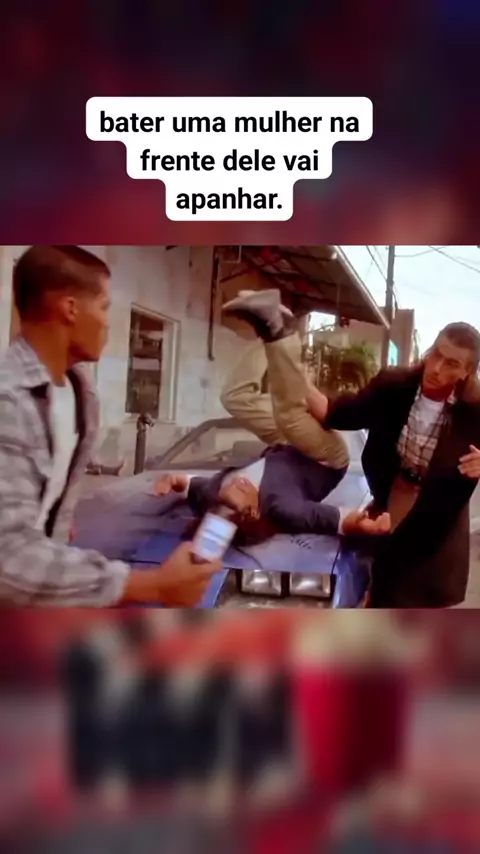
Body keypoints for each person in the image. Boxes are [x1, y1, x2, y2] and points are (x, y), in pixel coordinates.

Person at [0, 245, 220, 607]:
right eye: (104, 307)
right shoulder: (9, 400)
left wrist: (54, 518)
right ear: (70, 308)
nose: (107, 322)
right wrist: (151, 585)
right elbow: (8, 557)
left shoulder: (78, 392)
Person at [155, 289, 391, 544]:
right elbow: (332, 520)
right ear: (254, 512)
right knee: (289, 414)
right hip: (325, 458)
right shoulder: (283, 508)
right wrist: (361, 524)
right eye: (239, 493)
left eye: (224, 493)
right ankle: (281, 331)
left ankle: (268, 329)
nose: (236, 483)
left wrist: (174, 480)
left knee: (235, 398)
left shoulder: (213, 493)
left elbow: (191, 485)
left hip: (287, 444)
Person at [307, 318, 480, 607]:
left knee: (425, 604)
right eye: (436, 354)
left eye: (451, 364)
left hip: (439, 520)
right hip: (394, 497)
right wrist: (287, 373)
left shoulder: (474, 411)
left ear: (466, 372)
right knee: (385, 588)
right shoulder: (394, 386)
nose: (436, 368)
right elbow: (338, 413)